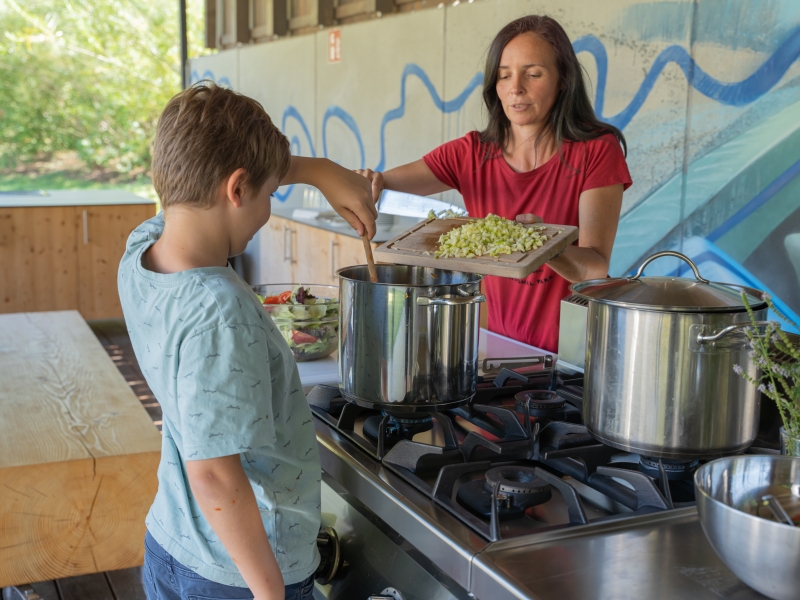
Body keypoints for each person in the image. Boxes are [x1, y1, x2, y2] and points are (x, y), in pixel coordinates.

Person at [118, 83, 376, 600]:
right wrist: (269, 592)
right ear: (237, 189)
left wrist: (321, 171)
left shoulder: (142, 247)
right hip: (242, 573)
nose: (266, 213)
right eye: (270, 195)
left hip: (174, 541)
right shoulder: (220, 311)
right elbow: (213, 473)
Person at [357, 15, 632, 352]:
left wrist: (541, 244)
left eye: (533, 74)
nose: (516, 88)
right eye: (504, 76)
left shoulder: (597, 151)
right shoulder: (472, 153)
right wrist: (367, 184)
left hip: (572, 356)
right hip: (496, 346)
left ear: (562, 80)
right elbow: (383, 184)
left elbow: (594, 267)